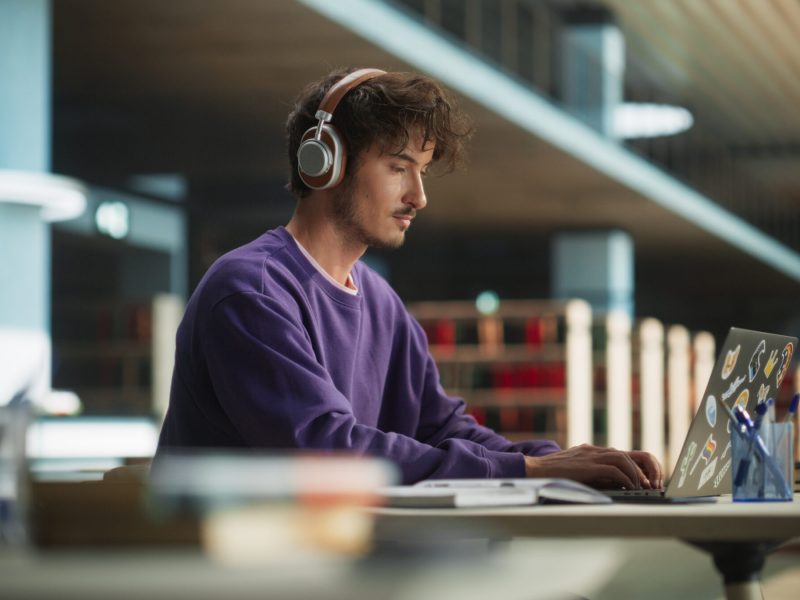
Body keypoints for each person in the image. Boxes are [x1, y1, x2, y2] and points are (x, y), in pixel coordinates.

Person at [156, 67, 663, 489]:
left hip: (321, 561)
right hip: (235, 572)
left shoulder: (379, 300)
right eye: (400, 168)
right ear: (325, 164)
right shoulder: (251, 292)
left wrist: (563, 461)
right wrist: (524, 470)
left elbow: (441, 427)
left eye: (421, 171)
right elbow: (325, 448)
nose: (419, 197)